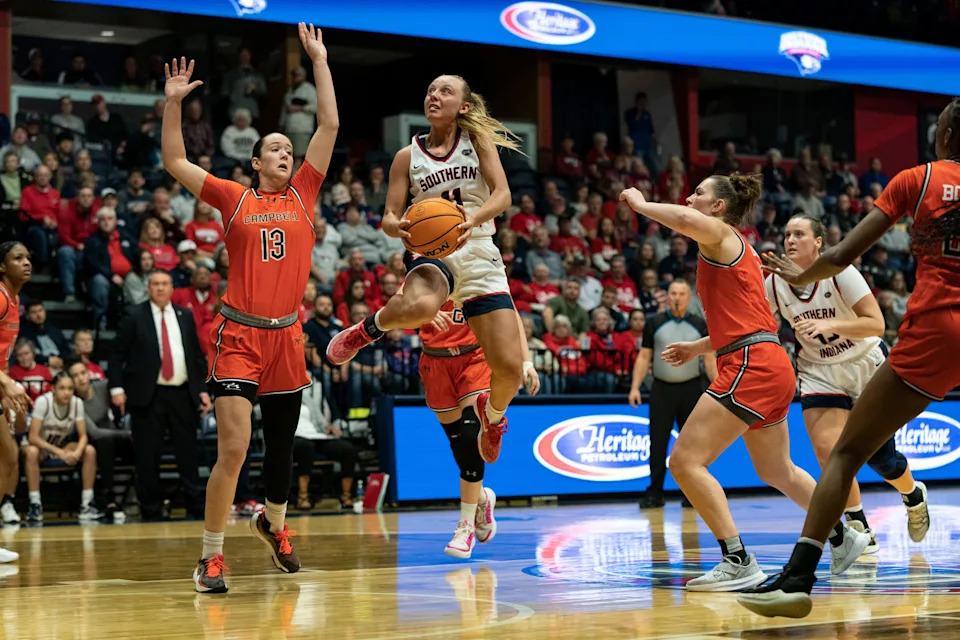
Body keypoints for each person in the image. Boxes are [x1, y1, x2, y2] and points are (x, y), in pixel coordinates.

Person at [737, 98, 960, 619]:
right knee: (847, 446)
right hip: (823, 369)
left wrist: (796, 275)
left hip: (933, 332)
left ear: (945, 134)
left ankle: (797, 578)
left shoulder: (917, 179)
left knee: (846, 454)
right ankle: (871, 523)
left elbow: (838, 256)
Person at [619, 174, 869, 592]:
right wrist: (700, 348)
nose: (689, 197)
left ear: (718, 207)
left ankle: (737, 560)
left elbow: (681, 217)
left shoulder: (718, 233)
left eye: (699, 193)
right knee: (777, 469)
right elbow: (745, 319)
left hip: (751, 363)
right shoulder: (740, 249)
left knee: (684, 462)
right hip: (767, 359)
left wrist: (642, 205)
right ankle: (844, 536)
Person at [162, 24, 337, 594]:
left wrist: (320, 62)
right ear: (257, 163)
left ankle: (274, 525)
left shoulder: (304, 194)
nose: (287, 153)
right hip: (239, 334)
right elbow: (174, 161)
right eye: (276, 150)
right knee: (235, 448)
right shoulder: (236, 197)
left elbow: (329, 124)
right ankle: (211, 557)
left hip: (287, 338)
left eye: (290, 148)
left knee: (283, 449)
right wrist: (172, 105)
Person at [327, 74, 524, 466]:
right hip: (434, 250)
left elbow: (503, 195)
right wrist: (395, 227)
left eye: (445, 91)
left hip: (480, 247)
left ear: (464, 107)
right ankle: (367, 330)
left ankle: (494, 417)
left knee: (510, 370)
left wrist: (473, 218)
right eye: (431, 90)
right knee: (419, 309)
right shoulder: (407, 156)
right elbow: (388, 217)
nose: (434, 96)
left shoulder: (477, 142)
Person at [765, 214, 929, 553]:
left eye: (799, 234)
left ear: (819, 242)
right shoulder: (775, 283)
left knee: (880, 458)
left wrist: (833, 326)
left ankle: (912, 494)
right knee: (830, 452)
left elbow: (876, 323)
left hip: (864, 364)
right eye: (786, 235)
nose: (790, 240)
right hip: (818, 370)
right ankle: (860, 529)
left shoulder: (841, 272)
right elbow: (758, 327)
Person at [419, 301, 539, 558]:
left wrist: (526, 360)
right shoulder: (420, 263)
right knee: (459, 446)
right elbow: (401, 306)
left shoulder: (481, 262)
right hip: (435, 361)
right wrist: (421, 311)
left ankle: (465, 528)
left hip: (475, 357)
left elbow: (509, 311)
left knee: (471, 437)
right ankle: (481, 499)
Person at [108, 270, 209, 524]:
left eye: (165, 284)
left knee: (188, 453)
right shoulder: (134, 315)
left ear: (172, 287)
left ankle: (196, 508)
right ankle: (151, 509)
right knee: (147, 456)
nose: (161, 289)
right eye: (155, 284)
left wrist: (203, 390)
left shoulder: (184, 315)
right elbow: (116, 355)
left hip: (182, 393)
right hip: (147, 395)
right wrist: (117, 389)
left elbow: (196, 357)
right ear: (148, 288)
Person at [628, 280, 715, 508]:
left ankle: (691, 494)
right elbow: (644, 357)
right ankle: (654, 493)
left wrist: (719, 387)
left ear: (689, 297)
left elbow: (709, 359)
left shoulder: (700, 324)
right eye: (673, 293)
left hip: (692, 389)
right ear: (667, 296)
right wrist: (635, 387)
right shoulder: (654, 322)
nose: (677, 297)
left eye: (682, 293)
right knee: (657, 443)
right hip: (662, 390)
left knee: (693, 446)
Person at [23, 372, 102, 522]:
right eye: (62, 388)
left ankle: (87, 504)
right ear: (53, 389)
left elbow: (83, 436)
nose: (67, 393)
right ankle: (35, 504)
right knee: (32, 452)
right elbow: (33, 437)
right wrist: (60, 452)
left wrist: (77, 452)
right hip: (37, 446)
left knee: (89, 451)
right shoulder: (43, 401)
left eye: (70, 389)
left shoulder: (77, 403)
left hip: (58, 446)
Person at [67, 359, 132, 521]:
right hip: (96, 442)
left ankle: (150, 495)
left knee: (143, 439)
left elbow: (122, 387)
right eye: (75, 376)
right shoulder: (75, 402)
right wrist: (125, 433)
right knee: (104, 443)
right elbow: (95, 433)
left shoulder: (103, 387)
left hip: (117, 437)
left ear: (89, 374)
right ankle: (110, 498)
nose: (81, 378)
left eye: (83, 373)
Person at [0, 243, 32, 560]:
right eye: (17, 258)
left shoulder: (15, 299)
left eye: (28, 258)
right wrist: (6, 383)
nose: (26, 263)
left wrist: (6, 389)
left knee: (9, 460)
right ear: (1, 266)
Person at [292, 376, 356, 509]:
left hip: (315, 435)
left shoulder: (306, 397)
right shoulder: (274, 397)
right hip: (292, 437)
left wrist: (329, 427)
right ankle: (302, 497)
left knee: (347, 449)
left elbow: (320, 420)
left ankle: (346, 496)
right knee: (306, 447)